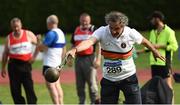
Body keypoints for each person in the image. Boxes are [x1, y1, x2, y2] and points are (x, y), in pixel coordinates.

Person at [66, 11, 165, 104]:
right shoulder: (102, 31)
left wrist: (154, 51)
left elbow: (144, 41)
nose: (113, 31)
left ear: (123, 26)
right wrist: (75, 49)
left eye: (116, 28)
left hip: (128, 78)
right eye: (111, 27)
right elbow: (89, 41)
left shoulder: (130, 33)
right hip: (109, 80)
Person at [137, 11, 178, 103]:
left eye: (152, 19)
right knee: (156, 86)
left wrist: (159, 46)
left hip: (164, 63)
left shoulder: (169, 31)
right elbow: (150, 46)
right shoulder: (153, 32)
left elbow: (174, 46)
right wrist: (139, 52)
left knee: (168, 87)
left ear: (157, 19)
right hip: (154, 63)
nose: (151, 21)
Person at [1, 17, 38, 104]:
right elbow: (5, 54)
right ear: (12, 27)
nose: (16, 29)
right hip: (13, 66)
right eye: (14, 27)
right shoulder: (9, 38)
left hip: (26, 65)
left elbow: (39, 45)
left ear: (21, 25)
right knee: (15, 90)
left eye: (17, 26)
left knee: (29, 88)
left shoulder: (28, 34)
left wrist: (34, 57)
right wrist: (3, 68)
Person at [70, 13, 101, 104]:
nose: (84, 23)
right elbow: (73, 44)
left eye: (86, 21)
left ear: (89, 21)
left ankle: (94, 102)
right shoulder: (76, 30)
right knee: (79, 85)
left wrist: (98, 59)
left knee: (92, 84)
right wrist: (70, 58)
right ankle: (82, 102)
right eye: (83, 21)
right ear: (80, 21)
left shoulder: (93, 29)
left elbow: (99, 45)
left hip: (90, 58)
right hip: (78, 59)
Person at [37, 15, 66, 105]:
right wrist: (62, 63)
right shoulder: (61, 32)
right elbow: (64, 49)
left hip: (49, 64)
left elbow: (42, 49)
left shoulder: (51, 33)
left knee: (51, 86)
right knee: (57, 85)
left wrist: (38, 41)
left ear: (50, 23)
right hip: (57, 63)